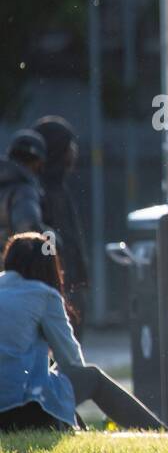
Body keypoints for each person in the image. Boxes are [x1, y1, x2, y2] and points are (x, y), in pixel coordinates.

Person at [0, 233, 167, 432]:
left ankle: (76, 429)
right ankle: (160, 433)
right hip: (18, 410)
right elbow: (72, 362)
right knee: (91, 377)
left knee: (54, 381)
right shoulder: (43, 295)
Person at [32, 117, 90, 336]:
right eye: (68, 146)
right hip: (54, 288)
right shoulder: (39, 192)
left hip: (70, 285)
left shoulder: (60, 188)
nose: (73, 153)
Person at [0, 130, 48, 251]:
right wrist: (54, 240)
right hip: (10, 264)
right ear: (37, 162)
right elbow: (29, 230)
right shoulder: (24, 191)